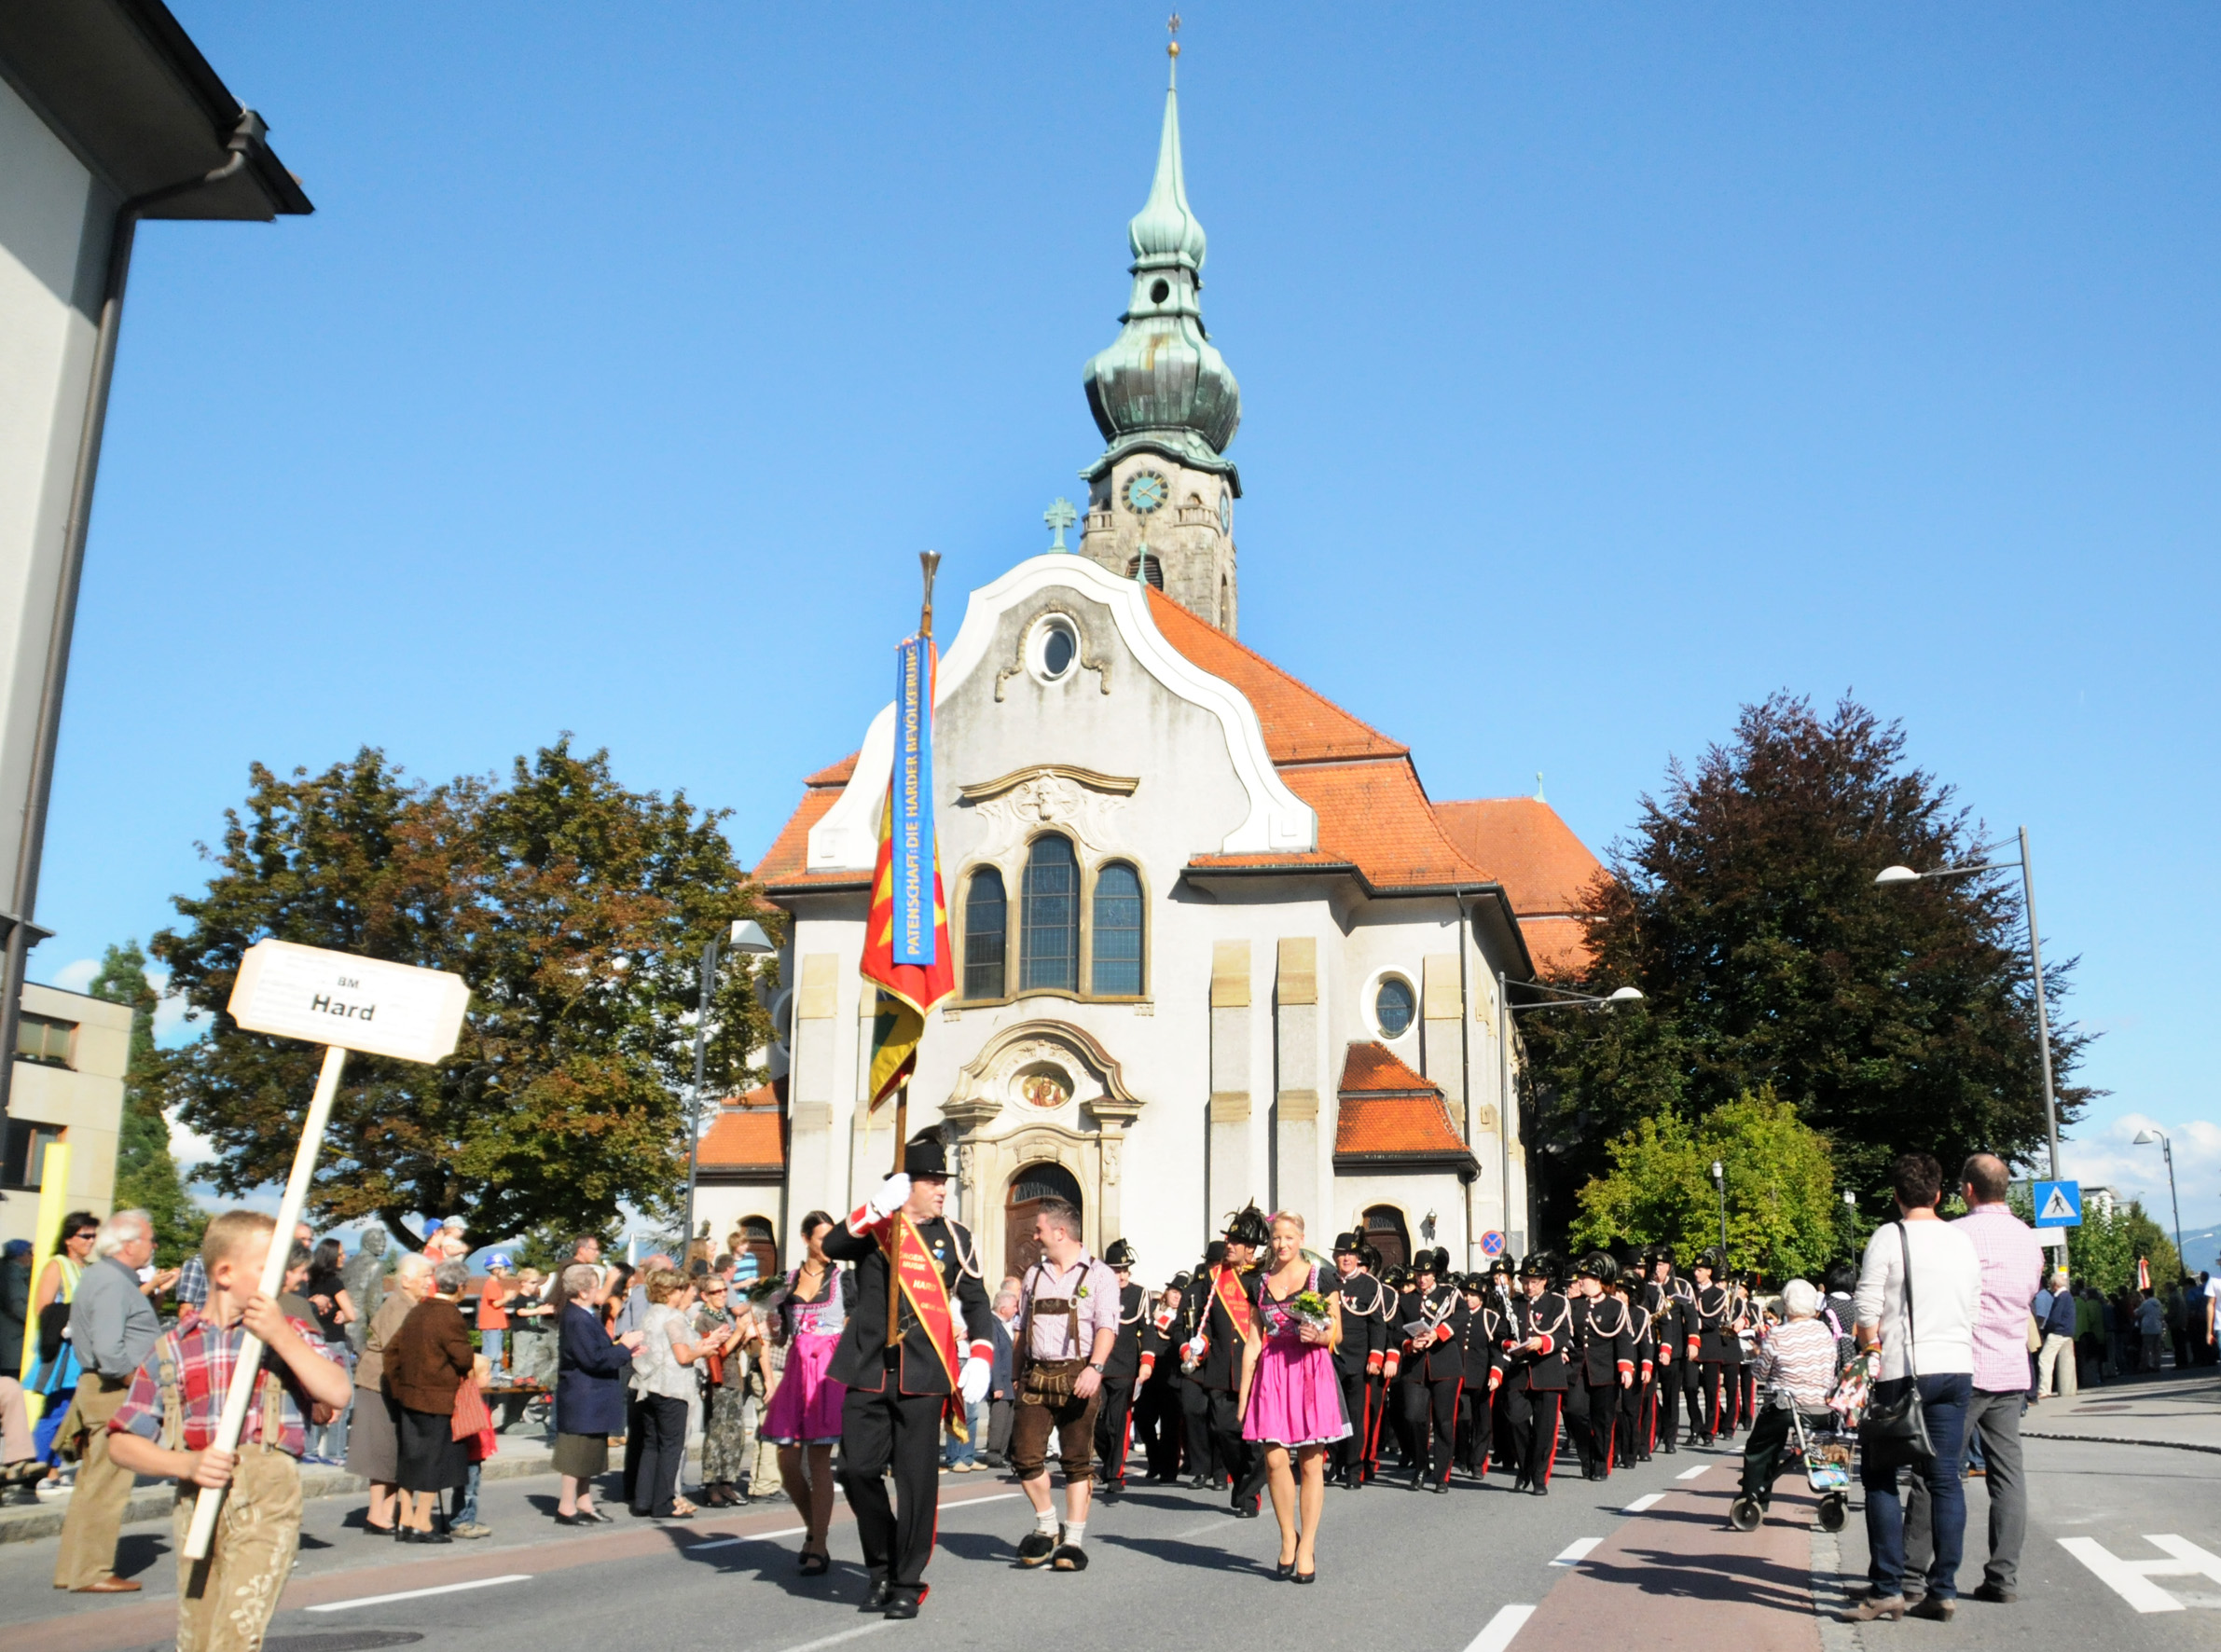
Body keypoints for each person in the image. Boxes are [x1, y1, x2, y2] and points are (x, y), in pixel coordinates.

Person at [103, 1209, 351, 1652]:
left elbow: (337, 1391)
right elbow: (122, 1442)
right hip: (197, 1497)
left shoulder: (288, 1330)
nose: (282, 1279)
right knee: (197, 1636)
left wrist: (281, 1337)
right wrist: (184, 1464)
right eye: (267, 1268)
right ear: (224, 1273)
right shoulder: (173, 1347)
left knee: (235, 1634)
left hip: (266, 1498)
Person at [822, 1135, 995, 1619]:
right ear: (907, 1184)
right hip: (869, 1367)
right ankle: (881, 1564)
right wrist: (876, 1206)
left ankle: (906, 1581)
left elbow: (977, 1302)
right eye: (932, 1181)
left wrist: (982, 1355)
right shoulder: (877, 1227)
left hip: (923, 1372)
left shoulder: (955, 1237)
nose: (941, 1189)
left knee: (916, 1483)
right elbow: (832, 1245)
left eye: (942, 1181)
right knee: (855, 1471)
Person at [1843, 1151, 1980, 1625]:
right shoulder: (1961, 1240)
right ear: (1939, 1194)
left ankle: (1887, 1588)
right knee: (1945, 1479)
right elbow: (1974, 1306)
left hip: (1905, 1369)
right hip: (1957, 1368)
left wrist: (1871, 1346)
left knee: (1880, 1476)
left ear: (1896, 1195)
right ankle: (1943, 1590)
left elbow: (1866, 1308)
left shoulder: (1890, 1236)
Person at [1904, 1154, 2046, 1606]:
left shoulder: (1955, 1235)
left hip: (1961, 1367)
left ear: (1968, 1189)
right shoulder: (2028, 1239)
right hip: (2010, 1368)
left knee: (1934, 1471)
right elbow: (2030, 1296)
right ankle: (2003, 1577)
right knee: (2008, 1476)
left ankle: (1911, 1574)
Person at [53, 1209, 162, 1592]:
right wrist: (138, 1384)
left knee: (92, 1484)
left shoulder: (101, 1276)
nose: (153, 1246)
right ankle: (92, 1572)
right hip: (114, 1392)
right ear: (128, 1244)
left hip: (101, 1388)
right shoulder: (113, 1282)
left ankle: (73, 1569)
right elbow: (109, 1350)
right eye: (150, 1239)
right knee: (107, 1486)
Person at [1008, 1197, 1119, 1570]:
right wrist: (1014, 1374)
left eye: (1039, 1229)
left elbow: (1107, 1327)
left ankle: (1072, 1541)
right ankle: (1046, 1525)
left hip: (1078, 1374)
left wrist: (1095, 1368)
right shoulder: (1033, 1275)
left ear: (1060, 1232)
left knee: (1076, 1461)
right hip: (1035, 1374)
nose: (1035, 1236)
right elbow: (1021, 1329)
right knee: (1024, 1456)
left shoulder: (1099, 1274)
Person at [1238, 1210, 1344, 1582]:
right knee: (1274, 1460)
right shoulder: (1259, 1282)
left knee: (1311, 1463)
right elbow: (1253, 1343)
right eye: (1276, 1238)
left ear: (1301, 1238)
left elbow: (1337, 1332)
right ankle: (1287, 1536)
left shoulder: (1321, 1276)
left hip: (1310, 1370)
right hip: (1273, 1372)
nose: (1281, 1244)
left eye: (1288, 1237)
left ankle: (1307, 1544)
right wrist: (1243, 1398)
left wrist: (1320, 1335)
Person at [762, 1209, 855, 1573]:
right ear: (805, 1239)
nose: (829, 1244)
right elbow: (780, 1336)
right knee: (786, 1463)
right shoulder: (784, 1281)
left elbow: (854, 1329)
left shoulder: (845, 1280)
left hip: (828, 1375)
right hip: (796, 1373)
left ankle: (819, 1544)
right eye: (822, 1238)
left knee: (818, 1462)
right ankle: (812, 1529)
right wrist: (772, 1327)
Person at [1182, 1205, 1273, 1517]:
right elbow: (1206, 1321)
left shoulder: (1265, 1278)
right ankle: (1245, 1483)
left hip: (1257, 1369)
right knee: (1223, 1431)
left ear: (1251, 1249)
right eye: (1228, 1240)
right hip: (1222, 1368)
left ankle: (1248, 1495)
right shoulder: (1215, 1278)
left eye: (1235, 1241)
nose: (1228, 1245)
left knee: (1255, 1441)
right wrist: (1200, 1343)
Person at [1729, 1278, 1838, 1522]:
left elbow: (1760, 1373)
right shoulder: (1824, 1331)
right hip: (1821, 1404)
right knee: (1820, 1442)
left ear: (1786, 1305)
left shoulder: (1778, 1334)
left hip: (1786, 1405)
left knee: (1761, 1447)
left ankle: (1754, 1495)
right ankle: (1834, 1489)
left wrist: (1757, 1353)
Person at [386, 1258, 477, 1543]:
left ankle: (405, 1520)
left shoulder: (417, 1310)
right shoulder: (449, 1315)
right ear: (460, 1287)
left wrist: (399, 1388)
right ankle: (422, 1522)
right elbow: (463, 1358)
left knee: (410, 1459)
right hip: (437, 1398)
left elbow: (391, 1352)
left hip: (409, 1396)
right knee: (433, 1460)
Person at [347, 1250, 433, 1535]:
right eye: (425, 1276)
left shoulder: (410, 1305)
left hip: (392, 1386)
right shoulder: (397, 1306)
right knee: (381, 1451)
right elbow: (400, 1352)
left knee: (394, 1450)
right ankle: (376, 1514)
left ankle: (387, 1512)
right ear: (406, 1280)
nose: (429, 1282)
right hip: (379, 1385)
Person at [553, 1263, 641, 1523]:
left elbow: (599, 1352)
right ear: (583, 1292)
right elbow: (593, 1359)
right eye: (594, 1287)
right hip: (582, 1397)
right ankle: (566, 1507)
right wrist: (623, 1347)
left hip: (591, 1396)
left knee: (590, 1454)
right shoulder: (577, 1318)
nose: (598, 1291)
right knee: (575, 1454)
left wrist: (625, 1351)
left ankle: (584, 1503)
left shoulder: (583, 1314)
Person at [631, 1269, 722, 1519]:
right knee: (671, 1446)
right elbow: (683, 1355)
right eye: (681, 1288)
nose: (684, 1292)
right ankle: (663, 1502)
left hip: (647, 1386)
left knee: (651, 1445)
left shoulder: (651, 1313)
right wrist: (704, 1352)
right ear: (671, 1292)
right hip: (672, 1386)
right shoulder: (674, 1317)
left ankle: (643, 1500)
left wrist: (702, 1343)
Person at [1391, 1246, 1468, 1493]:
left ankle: (1441, 1474)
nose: (1421, 1279)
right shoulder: (1406, 1299)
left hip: (1445, 1366)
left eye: (1426, 1274)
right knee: (1414, 1417)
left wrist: (1438, 1333)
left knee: (1444, 1422)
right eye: (1418, 1274)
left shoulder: (1449, 1293)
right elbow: (1396, 1332)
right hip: (1415, 1368)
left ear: (1434, 1274)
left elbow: (1462, 1315)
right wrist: (1409, 1344)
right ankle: (1421, 1466)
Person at [1499, 1253, 1572, 1494]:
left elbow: (1564, 1333)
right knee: (1514, 1419)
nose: (1529, 1287)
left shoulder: (1557, 1302)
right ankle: (1525, 1467)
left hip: (1547, 1372)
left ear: (1544, 1281)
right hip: (1519, 1372)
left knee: (1544, 1430)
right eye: (1525, 1282)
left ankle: (1539, 1478)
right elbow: (1500, 1335)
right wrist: (1510, 1345)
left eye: (1534, 1282)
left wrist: (1543, 1342)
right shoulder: (1513, 1303)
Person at [1564, 1251, 1634, 1481]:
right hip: (1578, 1371)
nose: (1580, 1281)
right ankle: (1586, 1456)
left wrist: (1626, 1368)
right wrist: (1563, 1349)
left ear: (1597, 1280)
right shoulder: (1573, 1305)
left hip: (1605, 1372)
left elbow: (1624, 1338)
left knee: (1603, 1420)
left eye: (1584, 1278)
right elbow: (1565, 1334)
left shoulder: (1615, 1306)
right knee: (1574, 1412)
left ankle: (1601, 1463)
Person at [1328, 1232, 1387, 1489]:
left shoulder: (1369, 1285)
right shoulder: (1326, 1281)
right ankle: (1335, 1462)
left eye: (1351, 1254)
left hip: (1357, 1360)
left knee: (1355, 1417)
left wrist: (1376, 1355)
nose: (1346, 1259)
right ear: (1335, 1256)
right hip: (1329, 1358)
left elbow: (1377, 1324)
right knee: (1330, 1415)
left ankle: (1354, 1470)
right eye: (1342, 1254)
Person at [694, 1275, 760, 1505]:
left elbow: (731, 1349)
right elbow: (716, 1353)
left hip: (732, 1379)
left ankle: (727, 1482)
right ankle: (711, 1485)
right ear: (705, 1296)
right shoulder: (703, 1319)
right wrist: (739, 1332)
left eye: (724, 1290)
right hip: (717, 1382)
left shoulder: (722, 1316)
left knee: (735, 1435)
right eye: (717, 1291)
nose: (723, 1294)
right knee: (717, 1434)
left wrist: (744, 1336)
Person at [1091, 1238, 1146, 1502]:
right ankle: (1108, 1460)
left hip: (1124, 1367)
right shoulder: (1093, 1291)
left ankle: (1115, 1474)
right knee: (1094, 1421)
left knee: (1118, 1423)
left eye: (1125, 1270)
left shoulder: (1138, 1294)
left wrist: (1146, 1363)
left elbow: (1147, 1331)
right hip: (1097, 1365)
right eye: (1116, 1270)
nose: (1122, 1275)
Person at [300, 1239, 356, 1466]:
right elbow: (352, 1313)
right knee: (343, 1398)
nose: (344, 1257)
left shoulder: (307, 1281)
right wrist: (344, 1315)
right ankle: (334, 1452)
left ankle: (309, 1448)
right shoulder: (334, 1282)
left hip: (312, 1342)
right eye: (341, 1254)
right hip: (334, 1343)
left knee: (314, 1396)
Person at [1649, 1247, 1701, 1452]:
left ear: (1669, 1266)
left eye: (1661, 1264)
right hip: (1650, 1347)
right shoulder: (1647, 1286)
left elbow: (1691, 1316)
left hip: (1675, 1349)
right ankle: (1656, 1427)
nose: (1658, 1268)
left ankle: (1670, 1437)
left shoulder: (1680, 1285)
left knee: (1671, 1395)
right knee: (1649, 1393)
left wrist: (1693, 1342)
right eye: (1655, 1264)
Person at [985, 1287, 1019, 1468]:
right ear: (1003, 1308)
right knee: (999, 1420)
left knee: (1008, 1419)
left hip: (1009, 1381)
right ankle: (994, 1454)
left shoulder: (1006, 1325)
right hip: (1000, 1381)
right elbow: (994, 1356)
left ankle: (1003, 1453)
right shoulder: (992, 1324)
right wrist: (996, 1385)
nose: (1016, 1310)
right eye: (1014, 1306)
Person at [477, 1254, 517, 1370]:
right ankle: (486, 1377)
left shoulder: (495, 1284)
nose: (507, 1272)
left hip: (496, 1325)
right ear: (496, 1270)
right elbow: (496, 1303)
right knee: (491, 1355)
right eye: (505, 1269)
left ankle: (494, 1376)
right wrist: (507, 1297)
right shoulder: (491, 1284)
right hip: (491, 1325)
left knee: (497, 1355)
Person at [2, 1237, 33, 1381]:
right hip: (13, 1342)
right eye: (30, 1253)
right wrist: (37, 1321)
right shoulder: (13, 1275)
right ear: (20, 1255)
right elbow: (17, 1306)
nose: (32, 1257)